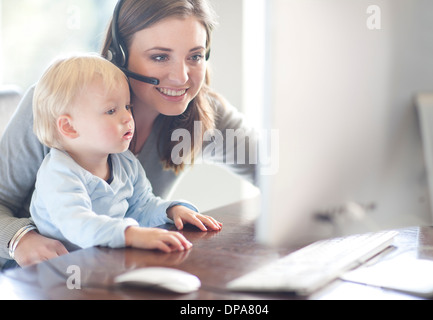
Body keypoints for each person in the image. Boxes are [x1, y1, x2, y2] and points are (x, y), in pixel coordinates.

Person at [0, 0, 256, 269]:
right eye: (160, 56)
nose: (181, 78)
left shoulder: (202, 114)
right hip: (33, 281)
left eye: (195, 56)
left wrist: (171, 210)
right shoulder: (57, 104)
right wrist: (19, 239)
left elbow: (279, 172)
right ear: (119, 56)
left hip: (107, 274)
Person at [28, 53, 221, 255]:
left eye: (128, 106)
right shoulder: (58, 174)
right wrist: (132, 234)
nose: (128, 118)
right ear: (69, 126)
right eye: (111, 111)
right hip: (56, 273)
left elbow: (142, 206)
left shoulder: (124, 161)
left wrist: (172, 211)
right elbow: (78, 224)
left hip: (101, 262)